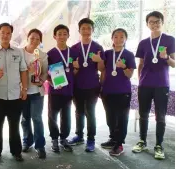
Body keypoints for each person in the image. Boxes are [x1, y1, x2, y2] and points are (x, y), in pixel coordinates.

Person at [132, 11, 175, 160]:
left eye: (157, 21)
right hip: (145, 85)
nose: (154, 24)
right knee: (143, 114)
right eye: (151, 22)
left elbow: (174, 64)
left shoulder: (169, 40)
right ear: (147, 24)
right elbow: (141, 64)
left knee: (160, 116)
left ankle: (159, 145)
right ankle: (142, 141)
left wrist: (167, 58)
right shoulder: (143, 43)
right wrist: (140, 81)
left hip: (162, 85)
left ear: (162, 22)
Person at [0, 22, 28, 162]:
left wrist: (24, 89)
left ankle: (16, 152)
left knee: (14, 126)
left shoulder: (18, 52)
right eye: (2, 32)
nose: (5, 35)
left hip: (15, 95)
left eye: (8, 33)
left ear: (11, 35)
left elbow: (23, 71)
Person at [98, 28, 136, 156]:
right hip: (108, 91)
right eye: (116, 36)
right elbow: (102, 69)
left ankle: (119, 144)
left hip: (123, 92)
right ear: (112, 38)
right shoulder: (107, 53)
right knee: (110, 118)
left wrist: (123, 67)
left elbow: (130, 75)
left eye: (122, 37)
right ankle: (113, 138)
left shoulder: (129, 55)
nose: (118, 39)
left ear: (125, 39)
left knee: (121, 119)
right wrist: (99, 60)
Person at [68, 18, 104, 152]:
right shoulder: (74, 48)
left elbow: (102, 68)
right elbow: (71, 69)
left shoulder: (98, 47)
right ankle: (79, 135)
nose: (86, 31)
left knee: (90, 112)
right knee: (79, 111)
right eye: (83, 28)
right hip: (77, 85)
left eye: (89, 28)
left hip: (93, 86)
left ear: (93, 30)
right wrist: (75, 67)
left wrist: (99, 60)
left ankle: (91, 139)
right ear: (79, 30)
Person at [47, 24, 77, 153]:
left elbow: (75, 71)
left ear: (68, 36)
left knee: (66, 116)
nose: (62, 36)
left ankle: (63, 138)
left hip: (68, 90)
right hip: (55, 90)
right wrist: (51, 82)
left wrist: (77, 68)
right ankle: (54, 139)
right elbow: (45, 73)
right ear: (54, 36)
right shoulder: (50, 54)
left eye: (65, 34)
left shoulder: (73, 52)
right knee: (52, 116)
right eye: (59, 34)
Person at [20, 28, 48, 159]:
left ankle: (40, 145)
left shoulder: (42, 55)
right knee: (25, 119)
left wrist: (40, 81)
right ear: (27, 38)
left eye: (38, 38)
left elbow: (45, 73)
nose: (35, 40)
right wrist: (28, 70)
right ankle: (27, 141)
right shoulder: (19, 53)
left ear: (40, 41)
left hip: (37, 92)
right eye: (32, 37)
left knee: (36, 118)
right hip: (23, 92)